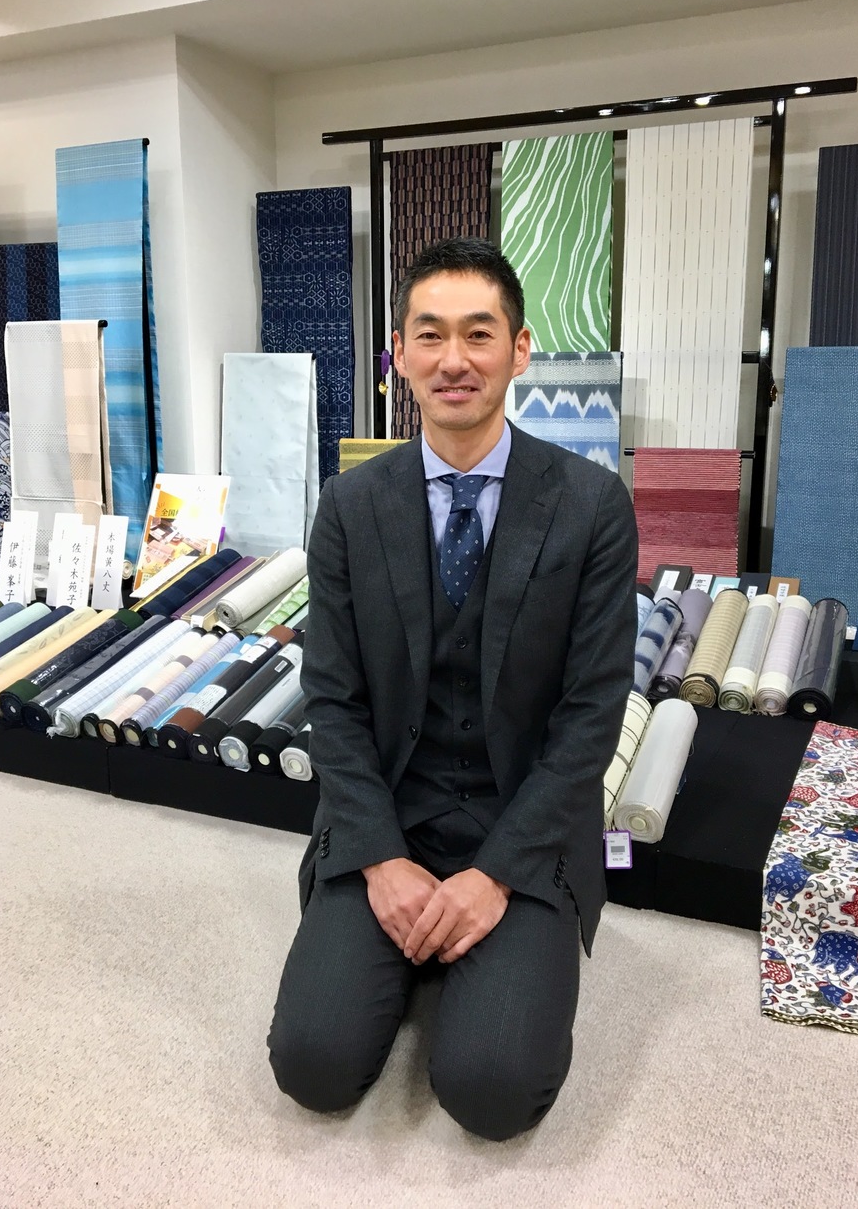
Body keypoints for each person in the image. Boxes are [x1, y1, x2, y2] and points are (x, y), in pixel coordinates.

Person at [268, 236, 637, 1141]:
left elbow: (591, 715)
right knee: (311, 1065)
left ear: (518, 349)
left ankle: (472, 949)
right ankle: (404, 941)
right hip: (389, 819)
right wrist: (380, 860)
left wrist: (496, 877)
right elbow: (333, 700)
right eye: (429, 335)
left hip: (523, 827)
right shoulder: (351, 505)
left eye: (479, 333)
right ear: (397, 354)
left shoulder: (590, 504)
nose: (453, 359)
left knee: (491, 1090)